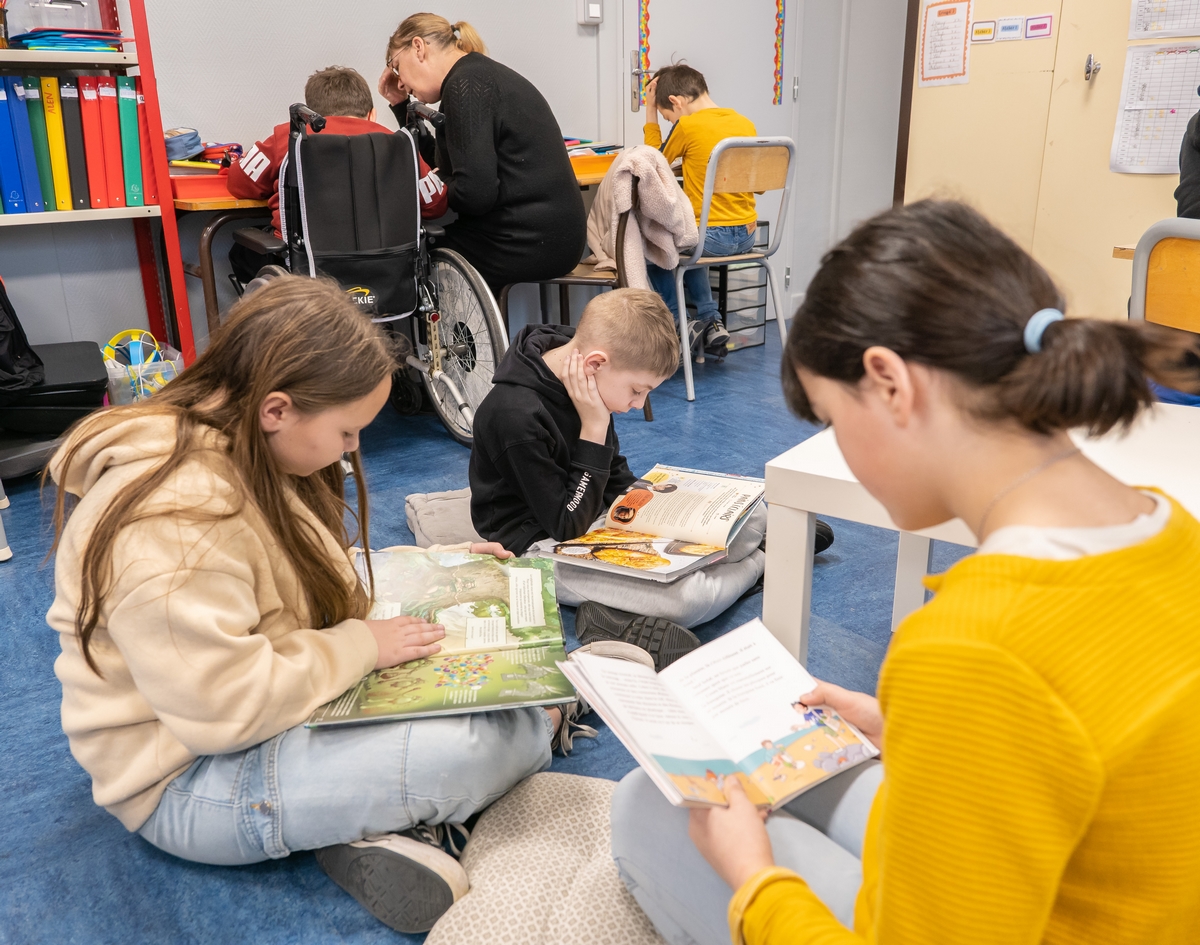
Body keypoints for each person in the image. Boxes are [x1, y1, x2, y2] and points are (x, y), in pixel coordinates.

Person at [609, 199, 1200, 944]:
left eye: (831, 417)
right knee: (790, 781)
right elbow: (1093, 741)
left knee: (646, 806)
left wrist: (755, 882)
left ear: (890, 382)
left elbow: (1007, 680)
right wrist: (908, 727)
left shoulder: (970, 646)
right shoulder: (1172, 526)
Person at [45, 276, 564, 934]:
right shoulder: (170, 525)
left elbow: (293, 576)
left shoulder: (254, 449)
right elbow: (224, 707)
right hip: (185, 776)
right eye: (348, 430)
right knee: (484, 742)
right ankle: (451, 774)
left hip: (270, 711)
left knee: (495, 693)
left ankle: (364, 821)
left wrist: (445, 567)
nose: (353, 449)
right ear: (277, 409)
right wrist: (363, 646)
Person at [468, 288, 766, 657]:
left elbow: (615, 475)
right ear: (595, 364)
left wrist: (669, 510)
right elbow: (566, 525)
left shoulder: (586, 372)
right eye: (637, 391)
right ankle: (760, 562)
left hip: (596, 513)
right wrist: (593, 427)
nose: (638, 405)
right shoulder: (514, 416)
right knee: (687, 600)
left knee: (752, 518)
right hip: (539, 544)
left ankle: (735, 555)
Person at [379, 14, 587, 294]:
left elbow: (475, 194)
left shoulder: (466, 85)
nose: (400, 81)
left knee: (407, 256)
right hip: (550, 238)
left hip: (528, 241)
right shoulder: (474, 76)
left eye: (395, 67)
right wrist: (400, 104)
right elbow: (442, 167)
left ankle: (455, 340)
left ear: (418, 48)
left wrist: (441, 185)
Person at [226, 65, 448, 284]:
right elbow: (435, 204)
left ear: (312, 116)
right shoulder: (399, 144)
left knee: (242, 252)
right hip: (385, 269)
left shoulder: (287, 137)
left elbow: (239, 183)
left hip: (306, 272)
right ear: (372, 115)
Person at [644, 64, 758, 361]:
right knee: (692, 238)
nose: (672, 121)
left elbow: (652, 165)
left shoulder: (688, 126)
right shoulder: (745, 124)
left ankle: (675, 326)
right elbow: (757, 186)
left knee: (654, 245)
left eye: (668, 116)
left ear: (676, 102)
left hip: (711, 238)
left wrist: (649, 113)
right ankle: (710, 320)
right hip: (747, 236)